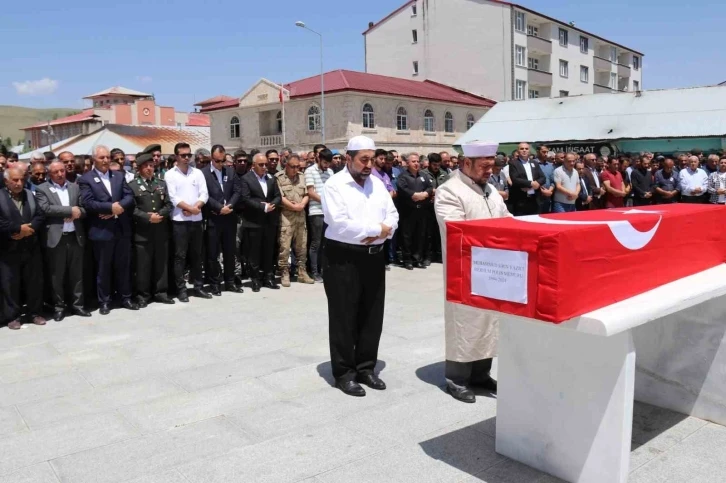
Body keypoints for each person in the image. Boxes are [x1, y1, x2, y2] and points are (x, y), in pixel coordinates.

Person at [321, 135, 398, 397]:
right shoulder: (334, 185)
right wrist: (379, 229)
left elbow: (393, 214)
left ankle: (366, 367)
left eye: (372, 159)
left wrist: (382, 232)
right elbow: (338, 222)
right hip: (343, 257)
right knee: (344, 316)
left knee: (372, 314)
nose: (369, 165)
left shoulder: (376, 183)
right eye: (363, 160)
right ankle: (344, 373)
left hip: (374, 257)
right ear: (348, 159)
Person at [434, 140, 511, 403]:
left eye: (492, 166)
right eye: (485, 167)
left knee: (489, 321)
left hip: (492, 268)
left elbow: (506, 220)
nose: (490, 171)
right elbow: (456, 230)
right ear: (467, 163)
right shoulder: (449, 191)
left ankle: (481, 374)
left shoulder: (488, 189)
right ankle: (457, 379)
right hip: (465, 269)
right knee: (465, 322)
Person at [78, 145, 138, 315]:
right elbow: (88, 203)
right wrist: (110, 208)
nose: (105, 161)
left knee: (123, 266)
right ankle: (104, 301)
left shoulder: (119, 176)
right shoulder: (86, 179)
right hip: (101, 231)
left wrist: (118, 207)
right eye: (101, 158)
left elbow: (129, 196)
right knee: (103, 268)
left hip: (121, 229)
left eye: (107, 157)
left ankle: (126, 297)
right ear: (93, 160)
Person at [35, 161, 90, 321]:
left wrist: (78, 211)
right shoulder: (42, 189)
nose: (60, 174)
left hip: (75, 236)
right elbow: (45, 209)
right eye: (55, 172)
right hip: (56, 239)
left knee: (77, 275)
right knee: (56, 276)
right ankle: (59, 307)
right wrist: (68, 210)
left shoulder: (75, 187)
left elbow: (84, 208)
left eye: (62, 171)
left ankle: (78, 306)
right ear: (49, 174)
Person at [164, 142, 212, 302]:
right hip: (180, 222)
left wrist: (195, 207)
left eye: (188, 155)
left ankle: (198, 286)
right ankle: (181, 290)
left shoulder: (197, 173)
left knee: (197, 255)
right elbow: (173, 197)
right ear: (176, 156)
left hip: (196, 221)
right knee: (180, 256)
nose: (186, 158)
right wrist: (190, 209)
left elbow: (204, 194)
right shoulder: (170, 174)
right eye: (183, 155)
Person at [0, 167, 46, 329]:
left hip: (30, 247)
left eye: (21, 179)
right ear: (6, 181)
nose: (19, 183)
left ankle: (35, 313)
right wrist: (17, 229)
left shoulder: (30, 195)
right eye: (15, 180)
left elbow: (40, 215)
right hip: (8, 249)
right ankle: (12, 316)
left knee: (34, 282)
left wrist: (30, 229)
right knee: (10, 284)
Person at [129, 153, 175, 306]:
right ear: (140, 168)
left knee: (161, 264)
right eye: (146, 166)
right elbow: (132, 209)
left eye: (151, 166)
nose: (149, 168)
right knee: (143, 265)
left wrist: (159, 215)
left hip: (161, 230)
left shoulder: (161, 183)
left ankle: (161, 292)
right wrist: (148, 217)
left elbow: (169, 204)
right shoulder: (133, 185)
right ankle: (143, 295)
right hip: (143, 233)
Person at [202, 145, 243, 295]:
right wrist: (219, 208)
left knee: (229, 251)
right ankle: (214, 283)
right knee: (213, 253)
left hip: (229, 217)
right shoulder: (203, 174)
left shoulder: (231, 171)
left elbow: (237, 191)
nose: (221, 164)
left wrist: (230, 205)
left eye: (223, 160)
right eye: (218, 161)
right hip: (214, 217)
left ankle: (230, 281)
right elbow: (204, 195)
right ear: (211, 159)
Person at [240, 153, 281, 292]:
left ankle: (269, 277)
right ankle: (255, 279)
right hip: (253, 222)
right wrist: (262, 207)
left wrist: (271, 205)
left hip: (269, 221)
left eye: (265, 164)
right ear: (253, 165)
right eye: (261, 165)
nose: (265, 167)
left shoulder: (271, 178)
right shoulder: (246, 179)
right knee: (254, 252)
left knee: (269, 250)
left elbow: (277, 196)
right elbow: (245, 199)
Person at [276, 154, 314, 287]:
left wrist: (302, 205)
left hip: (300, 216)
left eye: (298, 166)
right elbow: (280, 197)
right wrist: (293, 206)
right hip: (286, 216)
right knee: (285, 246)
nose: (296, 169)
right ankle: (284, 272)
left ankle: (302, 272)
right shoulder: (279, 178)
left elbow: (307, 194)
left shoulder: (302, 177)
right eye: (293, 166)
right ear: (286, 165)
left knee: (302, 245)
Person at [396, 153, 433, 270]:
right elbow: (402, 188)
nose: (416, 163)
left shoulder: (423, 175)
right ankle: (407, 260)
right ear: (407, 163)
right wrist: (414, 195)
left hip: (421, 210)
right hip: (408, 211)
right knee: (407, 236)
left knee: (420, 235)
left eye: (417, 161)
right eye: (413, 162)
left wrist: (426, 193)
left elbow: (430, 186)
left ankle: (418, 259)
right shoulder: (403, 176)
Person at [305, 148, 334, 282]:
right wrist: (325, 201)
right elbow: (310, 192)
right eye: (324, 162)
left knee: (325, 243)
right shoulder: (310, 171)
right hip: (316, 211)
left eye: (328, 162)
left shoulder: (330, 172)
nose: (326, 165)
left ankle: (323, 269)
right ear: (318, 158)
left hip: (328, 212)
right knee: (316, 243)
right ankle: (314, 271)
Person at [422, 153, 449, 264]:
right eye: (434, 165)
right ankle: (428, 256)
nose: (436, 167)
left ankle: (439, 254)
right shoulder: (423, 174)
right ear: (429, 163)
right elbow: (422, 188)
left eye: (438, 164)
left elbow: (447, 189)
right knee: (428, 233)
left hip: (441, 207)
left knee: (439, 232)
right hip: (427, 207)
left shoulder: (444, 174)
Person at [508, 143, 545, 216]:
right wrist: (531, 184)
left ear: (529, 151)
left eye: (526, 149)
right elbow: (515, 179)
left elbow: (543, 178)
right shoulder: (513, 164)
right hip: (521, 201)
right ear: (518, 151)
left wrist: (537, 184)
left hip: (535, 200)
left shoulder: (534, 163)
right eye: (522, 149)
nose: (524, 150)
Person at [536, 145, 554, 213]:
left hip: (548, 197)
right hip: (537, 196)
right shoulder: (533, 164)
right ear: (538, 152)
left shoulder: (550, 165)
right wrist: (542, 191)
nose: (546, 154)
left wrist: (550, 190)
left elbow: (553, 181)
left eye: (547, 152)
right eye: (543, 152)